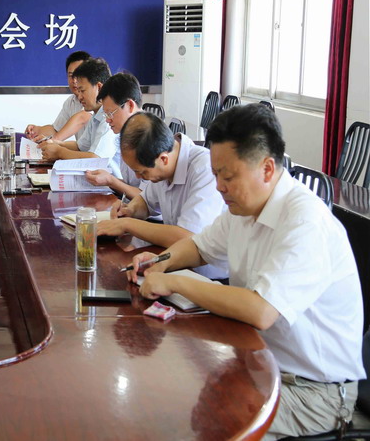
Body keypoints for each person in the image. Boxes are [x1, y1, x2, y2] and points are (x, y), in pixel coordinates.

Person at [128, 104, 364, 439]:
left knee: (205, 420)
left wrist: (175, 282)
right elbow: (198, 246)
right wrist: (160, 261)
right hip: (259, 363)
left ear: (267, 169)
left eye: (227, 177)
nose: (219, 187)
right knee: (172, 391)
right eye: (215, 175)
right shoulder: (243, 208)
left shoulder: (305, 222)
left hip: (314, 392)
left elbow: (260, 310)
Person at [98, 112, 227, 278]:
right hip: (174, 266)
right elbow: (146, 202)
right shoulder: (163, 164)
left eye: (142, 172)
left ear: (163, 159)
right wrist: (129, 210)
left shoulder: (204, 169)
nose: (138, 177)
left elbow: (187, 238)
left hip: (209, 278)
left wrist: (127, 224)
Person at [38, 58, 121, 177]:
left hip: (112, 185)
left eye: (82, 91)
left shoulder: (108, 118)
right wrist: (55, 143)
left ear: (99, 87)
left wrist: (59, 152)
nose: (80, 96)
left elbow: (95, 160)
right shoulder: (96, 115)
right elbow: (80, 146)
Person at [84, 72, 145, 200]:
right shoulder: (126, 134)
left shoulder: (148, 138)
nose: (107, 120)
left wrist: (111, 181)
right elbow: (130, 185)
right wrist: (108, 179)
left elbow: (148, 198)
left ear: (130, 105)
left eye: (110, 113)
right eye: (106, 114)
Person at [24, 51, 92, 142]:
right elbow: (56, 129)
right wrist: (37, 130)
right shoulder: (71, 101)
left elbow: (82, 118)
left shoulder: (96, 97)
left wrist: (55, 140)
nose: (74, 80)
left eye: (79, 75)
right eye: (71, 75)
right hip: (83, 151)